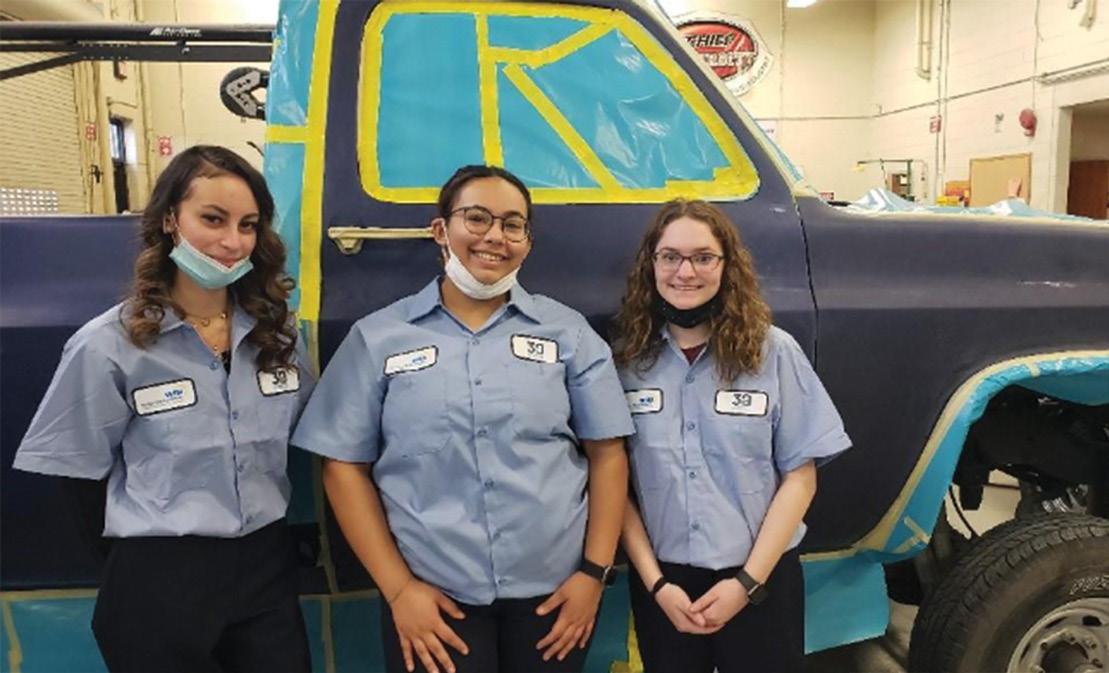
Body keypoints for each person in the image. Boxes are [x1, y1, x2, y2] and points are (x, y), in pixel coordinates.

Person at [291, 165, 633, 673]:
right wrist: (399, 590)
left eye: (512, 224)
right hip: (433, 604)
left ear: (527, 242)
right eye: (476, 218)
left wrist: (593, 575)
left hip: (556, 600)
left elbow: (608, 454)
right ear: (440, 230)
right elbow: (342, 467)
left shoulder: (569, 333)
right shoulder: (378, 337)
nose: (495, 236)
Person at [13, 145, 314, 673]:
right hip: (160, 576)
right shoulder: (111, 345)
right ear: (171, 219)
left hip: (264, 573)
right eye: (213, 219)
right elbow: (78, 476)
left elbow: (312, 434)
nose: (233, 242)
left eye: (248, 225)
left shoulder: (278, 336)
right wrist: (142, 569)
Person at [612, 199, 851, 673]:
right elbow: (614, 483)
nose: (685, 272)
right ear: (651, 264)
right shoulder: (626, 362)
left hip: (761, 582)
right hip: (666, 589)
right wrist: (657, 585)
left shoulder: (772, 352)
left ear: (726, 265)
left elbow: (801, 477)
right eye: (670, 257)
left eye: (703, 257)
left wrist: (747, 584)